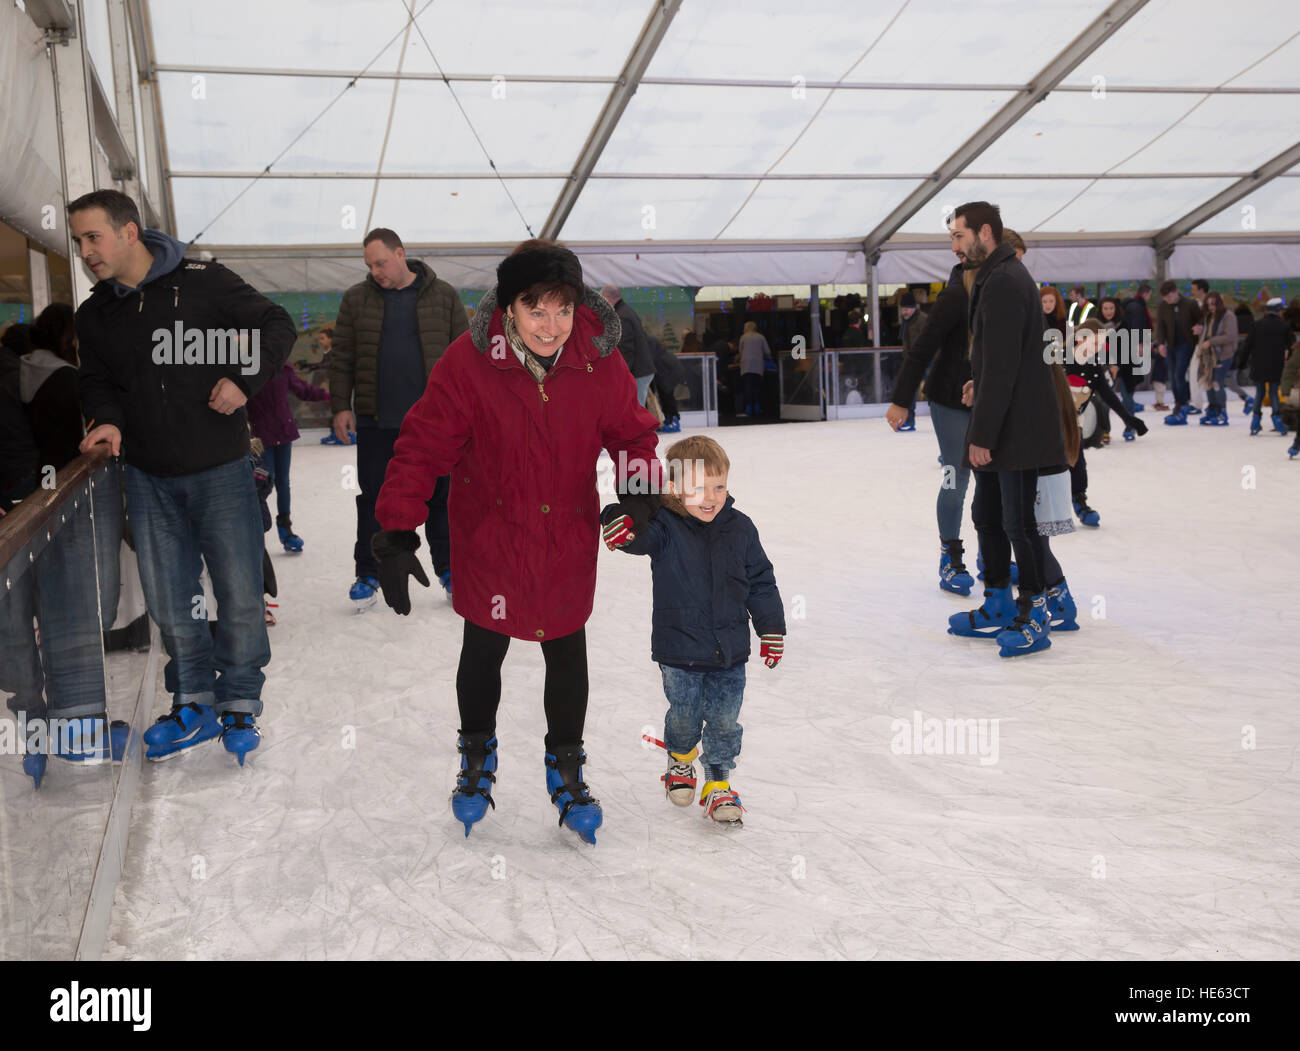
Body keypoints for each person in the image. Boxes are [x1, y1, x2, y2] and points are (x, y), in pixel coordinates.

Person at [370, 239, 661, 845]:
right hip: (490, 534)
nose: (551, 327)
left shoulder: (595, 358)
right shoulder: (470, 362)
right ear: (509, 307)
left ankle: (567, 766)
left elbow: (633, 433)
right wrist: (397, 528)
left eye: (562, 310)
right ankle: (476, 755)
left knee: (565, 646)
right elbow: (423, 446)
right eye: (536, 311)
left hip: (564, 535)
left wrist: (636, 491)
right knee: (484, 645)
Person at [72, 188, 295, 765]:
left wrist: (244, 379)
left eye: (92, 237)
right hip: (147, 475)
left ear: (129, 231)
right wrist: (108, 423)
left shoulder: (203, 281)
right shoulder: (95, 313)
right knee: (172, 600)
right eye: (77, 242)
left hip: (220, 468)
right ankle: (192, 699)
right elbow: (97, 382)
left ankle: (241, 701)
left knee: (241, 592)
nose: (85, 251)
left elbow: (275, 324)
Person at [600, 435, 784, 824]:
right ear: (673, 488)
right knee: (684, 716)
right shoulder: (666, 527)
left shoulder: (740, 528)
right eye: (698, 488)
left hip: (730, 653)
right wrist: (619, 523)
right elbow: (640, 538)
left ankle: (718, 784)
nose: (711, 497)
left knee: (724, 721)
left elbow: (761, 580)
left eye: (719, 486)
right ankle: (680, 760)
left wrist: (770, 627)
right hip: (679, 651)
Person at [945, 201, 1065, 658]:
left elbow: (1006, 366)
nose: (954, 247)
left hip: (1017, 427)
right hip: (1004, 416)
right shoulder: (996, 278)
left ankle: (1033, 612)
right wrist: (980, 378)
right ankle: (997, 602)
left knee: (1019, 522)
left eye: (959, 236)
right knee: (988, 516)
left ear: (985, 232)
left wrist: (983, 435)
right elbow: (1001, 358)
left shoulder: (1007, 282)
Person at [330, 228, 468, 608]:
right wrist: (341, 405)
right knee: (374, 499)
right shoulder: (357, 300)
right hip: (378, 422)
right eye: (369, 265)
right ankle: (369, 573)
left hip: (436, 424)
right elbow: (341, 357)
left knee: (443, 498)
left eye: (380, 262)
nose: (375, 271)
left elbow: (467, 359)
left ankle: (450, 570)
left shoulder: (443, 296)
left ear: (400, 253)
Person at [886, 228, 980, 594]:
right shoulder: (956, 295)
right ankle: (950, 556)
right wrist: (901, 400)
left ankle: (993, 555)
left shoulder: (999, 293)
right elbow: (921, 350)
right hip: (948, 398)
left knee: (993, 481)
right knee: (955, 476)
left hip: (989, 397)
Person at [1064, 319, 1148, 527]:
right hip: (1047, 419)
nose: (1098, 348)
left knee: (1077, 460)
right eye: (1095, 344)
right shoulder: (1059, 360)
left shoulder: (1093, 366)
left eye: (1100, 344)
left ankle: (1079, 500)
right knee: (1050, 463)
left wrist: (1129, 419)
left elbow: (1108, 395)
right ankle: (1039, 506)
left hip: (1074, 420)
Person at [246, 362, 329, 551]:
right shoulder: (247, 367)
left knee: (283, 482)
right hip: (261, 437)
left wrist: (328, 396)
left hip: (284, 431)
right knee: (263, 483)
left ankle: (286, 530)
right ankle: (255, 530)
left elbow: (301, 389)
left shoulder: (282, 368)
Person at [1237, 297, 1292, 437]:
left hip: (1259, 365)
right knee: (1273, 392)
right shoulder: (1284, 326)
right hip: (1275, 365)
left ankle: (1255, 421)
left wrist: (1241, 363)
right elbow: (1291, 347)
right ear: (1278, 311)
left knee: (1259, 393)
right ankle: (1277, 418)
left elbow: (1247, 346)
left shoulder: (1257, 325)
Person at [1153, 279, 1202, 423]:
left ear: (1176, 292)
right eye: (1165, 298)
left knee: (1179, 374)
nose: (1168, 300)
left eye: (1169, 297)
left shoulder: (1190, 304)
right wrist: (1161, 344)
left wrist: (1199, 326)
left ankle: (1182, 403)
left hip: (1186, 344)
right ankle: (1179, 402)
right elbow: (1161, 326)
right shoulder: (1163, 306)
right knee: (1172, 376)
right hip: (1170, 345)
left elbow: (1201, 319)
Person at [599, 285, 656, 408]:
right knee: (634, 408)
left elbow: (626, 349)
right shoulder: (627, 311)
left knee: (635, 409)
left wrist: (622, 374)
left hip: (637, 371)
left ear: (608, 298)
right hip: (640, 370)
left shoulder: (621, 316)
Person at [1193, 291, 1238, 427]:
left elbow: (1230, 336)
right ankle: (1213, 408)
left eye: (1213, 304)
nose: (1211, 307)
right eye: (1209, 305)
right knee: (1208, 382)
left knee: (1217, 382)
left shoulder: (1228, 316)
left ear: (1219, 303)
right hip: (1209, 356)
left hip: (1224, 354)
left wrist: (1211, 342)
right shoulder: (1209, 316)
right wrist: (1201, 335)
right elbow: (1207, 333)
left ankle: (1222, 410)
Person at [648, 333, 685, 433]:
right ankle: (669, 419)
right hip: (665, 371)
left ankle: (674, 420)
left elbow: (651, 360)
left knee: (667, 395)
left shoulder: (648, 340)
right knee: (664, 395)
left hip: (667, 372)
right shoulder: (650, 340)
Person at [736, 320, 772, 418]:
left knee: (747, 387)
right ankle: (756, 408)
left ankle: (748, 409)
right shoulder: (761, 337)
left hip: (746, 366)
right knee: (756, 387)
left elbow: (740, 351)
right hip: (758, 365)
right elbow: (767, 352)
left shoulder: (743, 337)